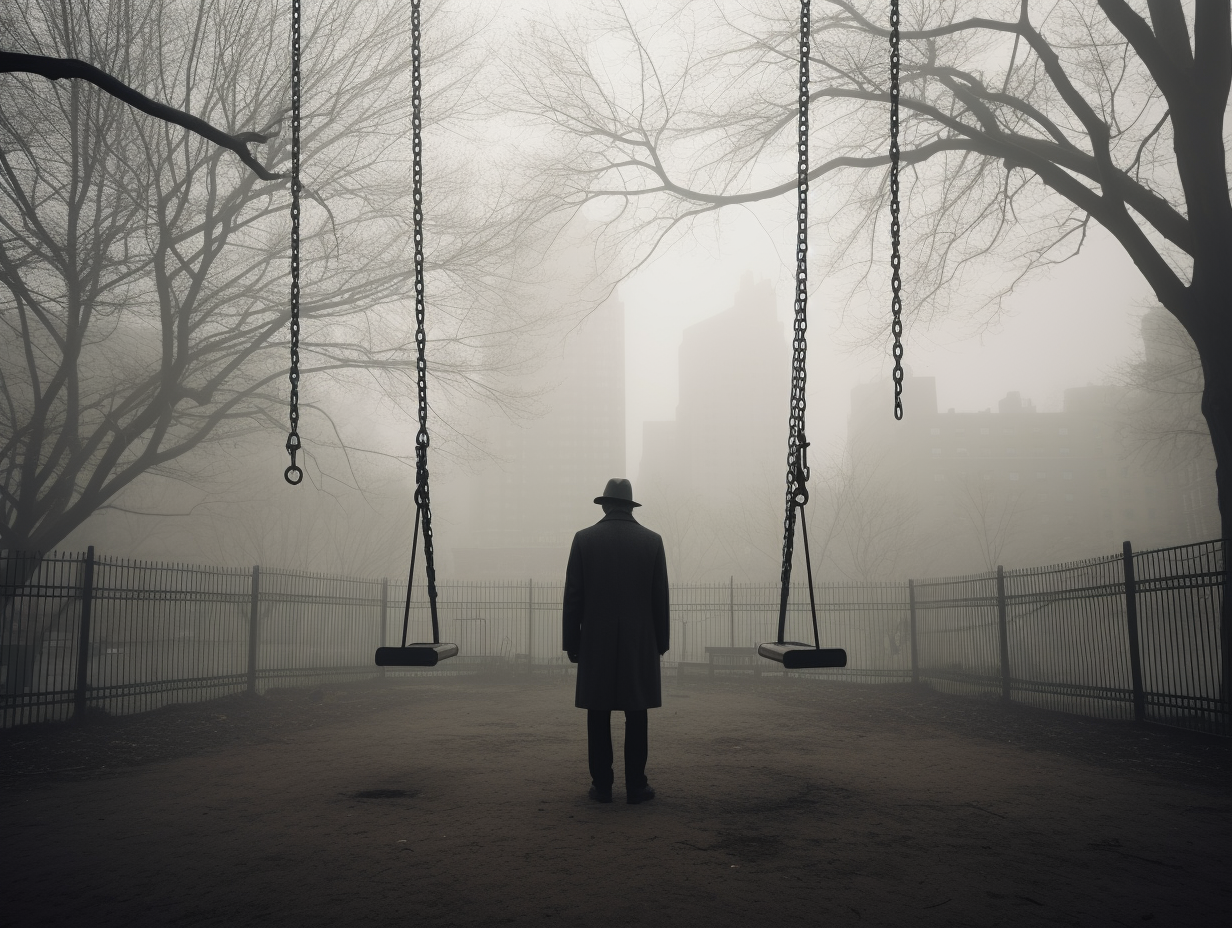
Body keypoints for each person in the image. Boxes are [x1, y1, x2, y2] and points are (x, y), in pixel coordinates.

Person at [563, 477, 670, 805]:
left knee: (597, 714)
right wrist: (660, 643)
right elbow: (659, 599)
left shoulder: (584, 539)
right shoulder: (652, 541)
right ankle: (637, 786)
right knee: (637, 714)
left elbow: (574, 596)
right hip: (639, 641)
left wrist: (572, 641)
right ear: (630, 506)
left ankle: (603, 786)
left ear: (605, 505)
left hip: (596, 640)